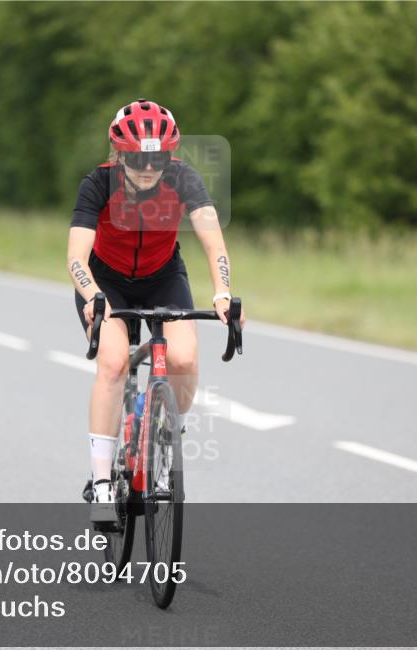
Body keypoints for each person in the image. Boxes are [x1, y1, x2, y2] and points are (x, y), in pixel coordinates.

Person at [67, 98, 246, 524]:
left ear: (171, 156)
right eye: (137, 158)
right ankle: (103, 483)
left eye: (158, 158)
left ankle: (165, 428)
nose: (148, 167)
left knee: (183, 358)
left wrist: (223, 292)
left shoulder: (184, 179)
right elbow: (76, 257)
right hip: (105, 281)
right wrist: (93, 295)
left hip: (163, 274)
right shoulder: (97, 184)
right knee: (112, 363)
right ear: (120, 155)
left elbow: (213, 242)